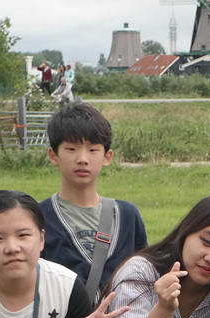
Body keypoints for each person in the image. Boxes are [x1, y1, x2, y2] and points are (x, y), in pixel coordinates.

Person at [39, 104, 148, 300]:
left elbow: (144, 276)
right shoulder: (38, 218)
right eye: (71, 149)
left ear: (107, 157)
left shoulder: (128, 216)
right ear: (54, 156)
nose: (83, 159)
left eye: (93, 149)